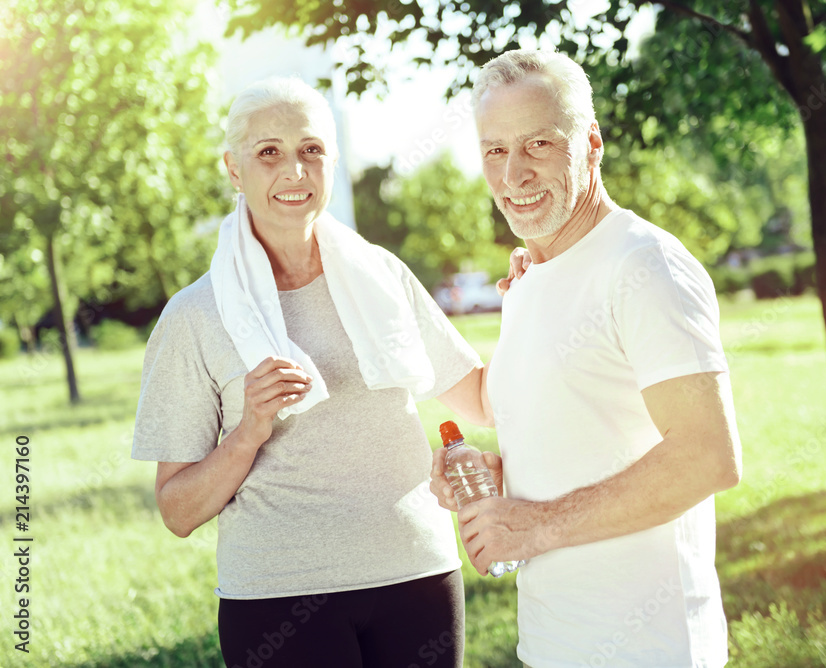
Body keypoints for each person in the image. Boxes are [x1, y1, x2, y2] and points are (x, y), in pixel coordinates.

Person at [132, 77, 494, 668]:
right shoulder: (193, 317)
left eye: (312, 150)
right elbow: (178, 511)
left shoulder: (383, 276)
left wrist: (539, 298)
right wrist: (248, 430)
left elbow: (479, 399)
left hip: (418, 576)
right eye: (268, 152)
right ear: (233, 168)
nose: (294, 171)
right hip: (279, 599)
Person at [430, 50, 742, 667]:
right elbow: (554, 415)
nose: (513, 173)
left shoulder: (644, 265)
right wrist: (496, 477)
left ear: (591, 143)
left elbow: (708, 456)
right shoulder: (531, 275)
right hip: (554, 643)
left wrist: (537, 524)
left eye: (538, 144)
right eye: (495, 150)